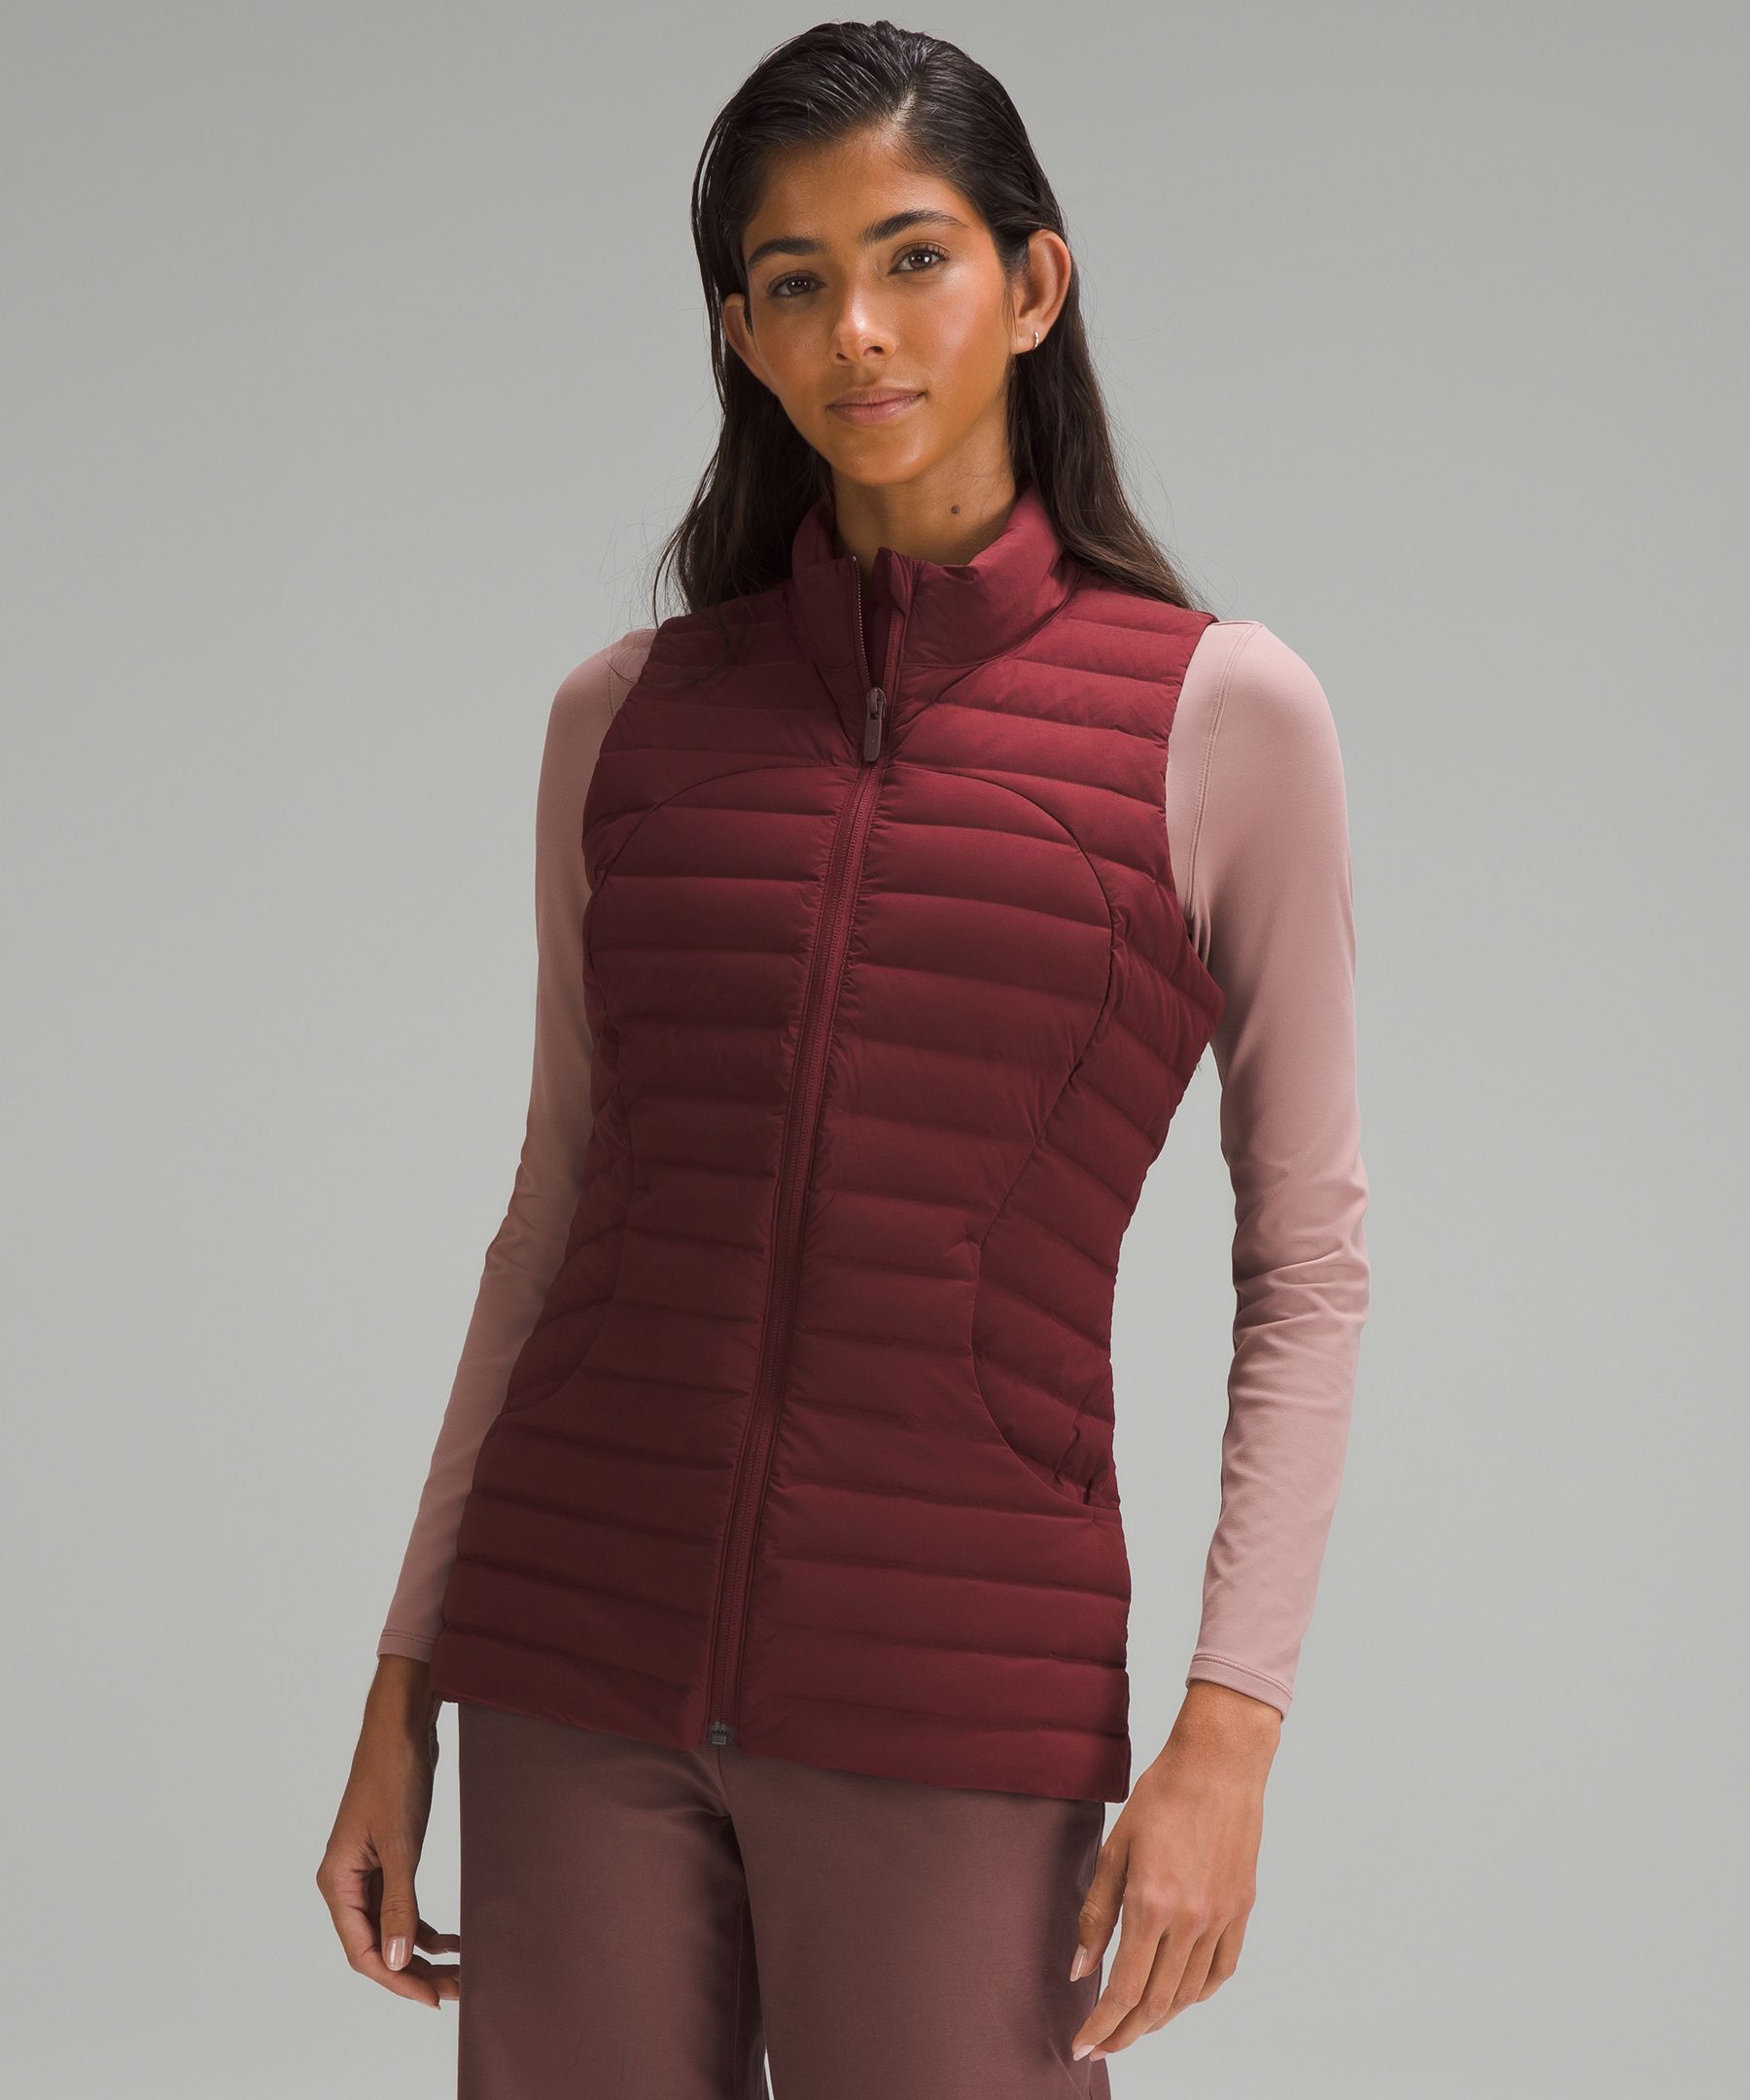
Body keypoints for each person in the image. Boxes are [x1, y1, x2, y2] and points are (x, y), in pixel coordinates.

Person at [317, 20, 1369, 2097]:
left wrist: (1230, 1734)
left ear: (1032, 283)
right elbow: (552, 1214)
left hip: (951, 1691)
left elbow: (1310, 1262)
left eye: (914, 258)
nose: (857, 330)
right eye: (792, 281)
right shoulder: (626, 721)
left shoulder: (1219, 719)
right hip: (570, 1658)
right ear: (741, 331)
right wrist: (401, 1685)